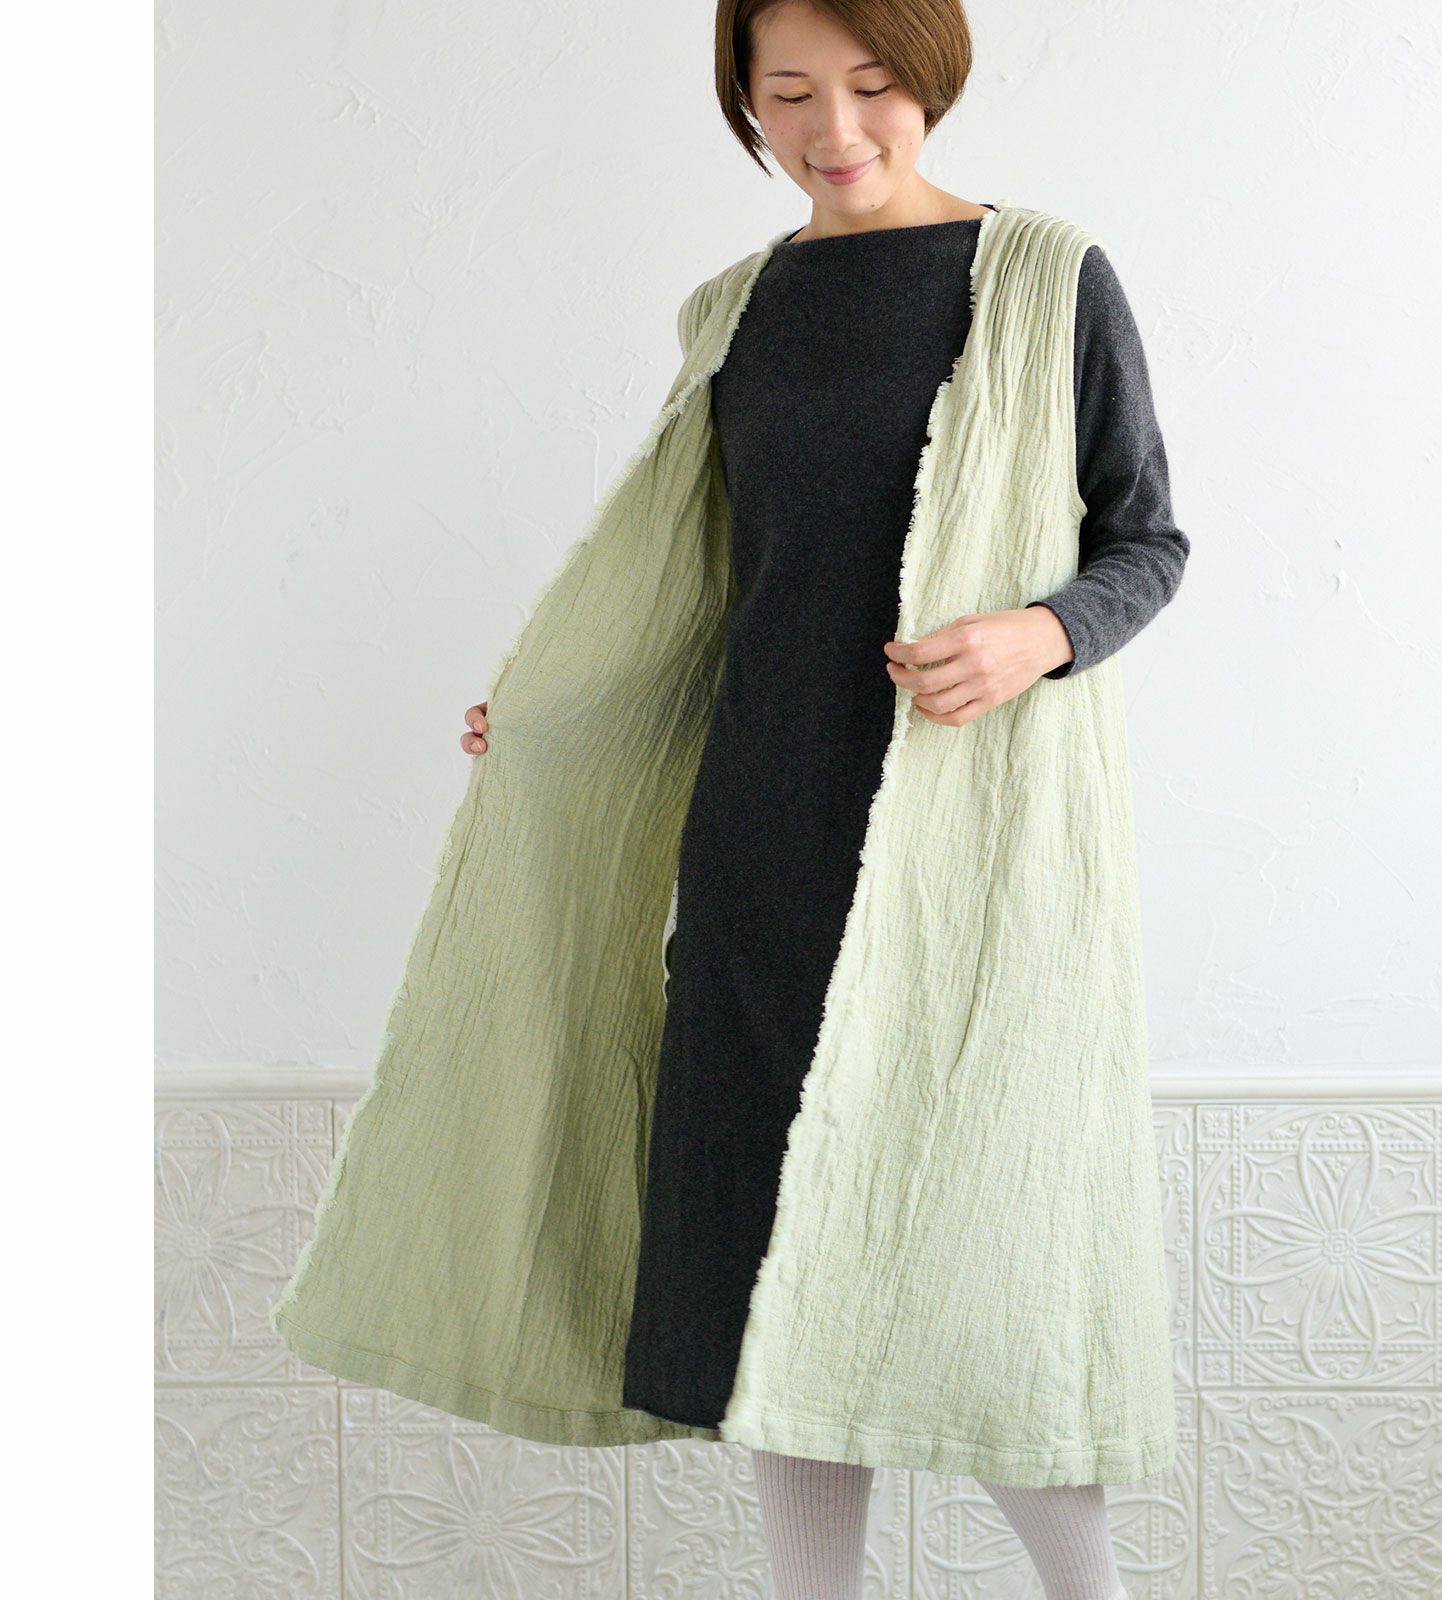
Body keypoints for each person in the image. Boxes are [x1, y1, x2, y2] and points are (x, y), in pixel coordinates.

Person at [459, 3, 1187, 1597]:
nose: (834, 128)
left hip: (976, 858)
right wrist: (556, 710)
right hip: (765, 846)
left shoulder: (1048, 276)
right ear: (745, 99)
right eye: (789, 91)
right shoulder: (732, 310)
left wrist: (1042, 631)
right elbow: (709, 587)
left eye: (872, 86)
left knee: (987, 1264)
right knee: (768, 1271)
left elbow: (1149, 537)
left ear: (932, 81)